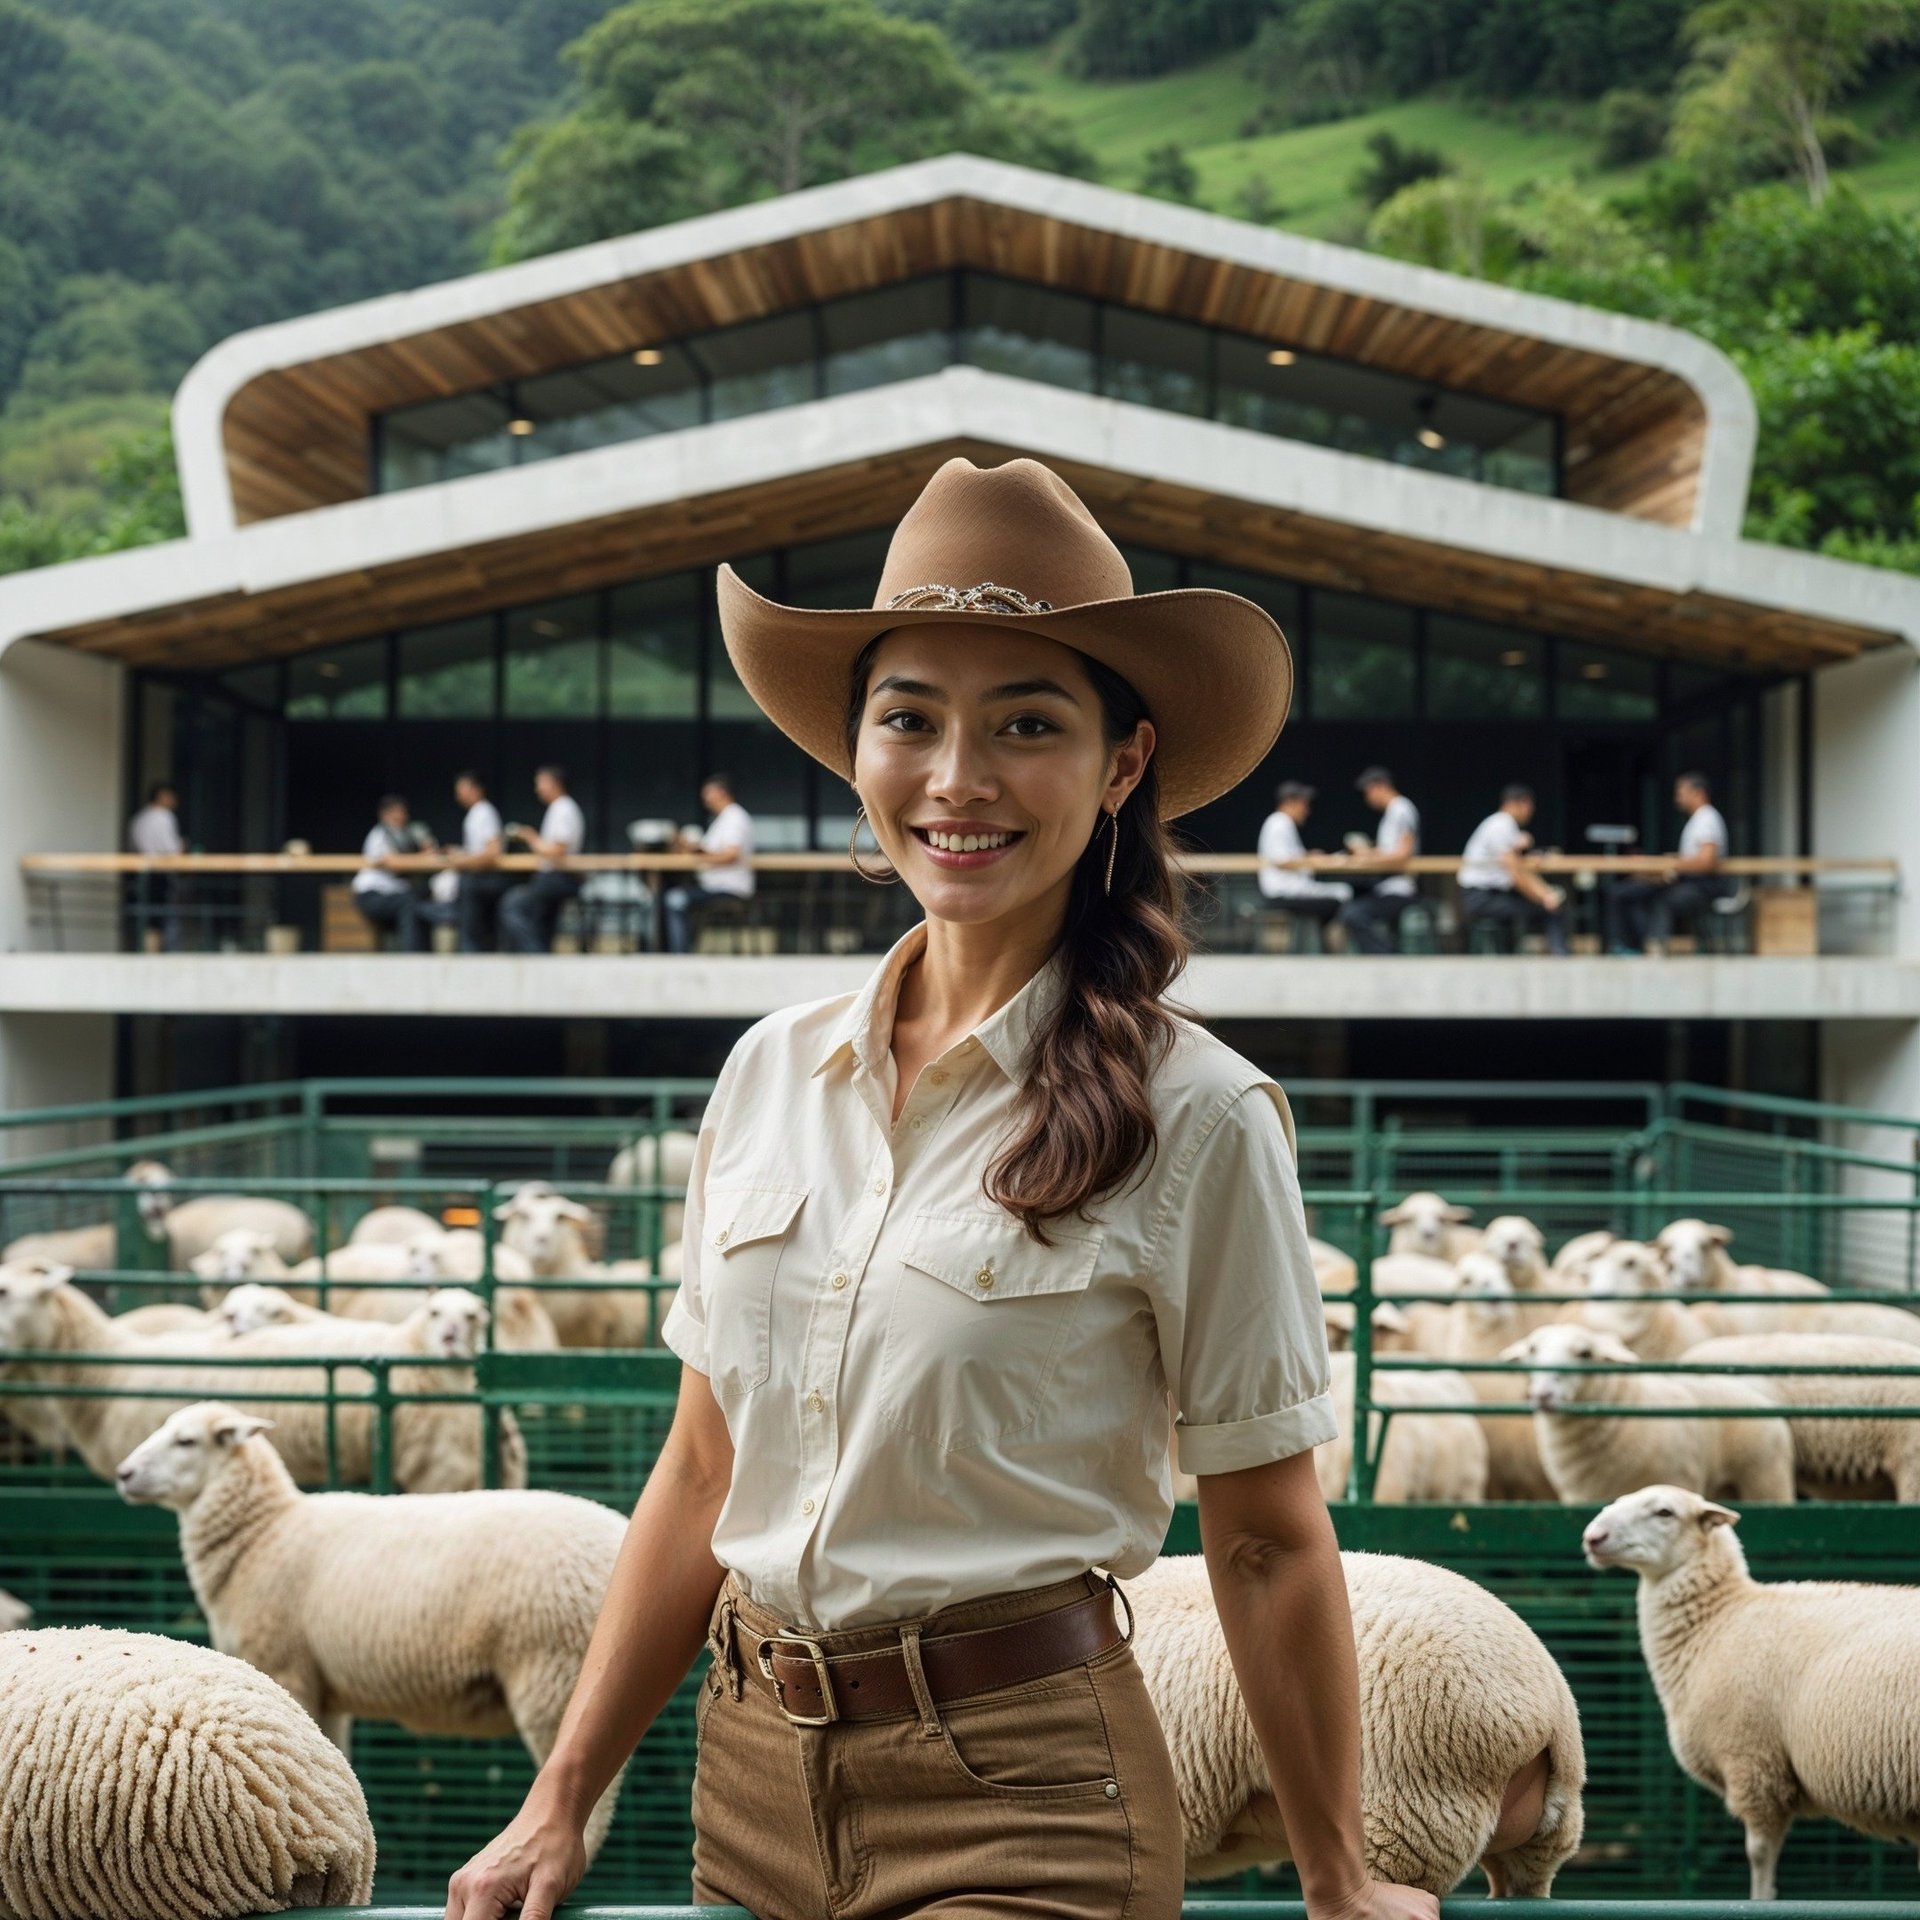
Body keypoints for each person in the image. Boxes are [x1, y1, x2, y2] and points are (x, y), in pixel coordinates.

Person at [445, 456, 1444, 1920]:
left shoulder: (1201, 1113)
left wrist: (1338, 1876)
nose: (958, 779)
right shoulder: (769, 1075)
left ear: (1121, 766)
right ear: (856, 749)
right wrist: (558, 1801)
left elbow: (1264, 1533)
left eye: (1027, 724)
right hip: (753, 1779)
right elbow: (705, 1470)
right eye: (909, 718)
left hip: (1025, 1791)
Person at [1607, 771, 1733, 955]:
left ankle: (1655, 946)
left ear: (1698, 793)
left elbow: (1707, 862)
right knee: (1630, 891)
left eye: (1681, 793)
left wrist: (1674, 864)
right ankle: (1632, 945)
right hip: (1687, 881)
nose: (1677, 798)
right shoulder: (1697, 820)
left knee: (1662, 898)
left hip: (1703, 885)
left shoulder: (1707, 819)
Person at [1458, 784, 1569, 956]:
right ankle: (1561, 957)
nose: (1531, 812)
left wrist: (1543, 893)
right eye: (1530, 806)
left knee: (1542, 905)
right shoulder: (1501, 824)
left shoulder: (1502, 824)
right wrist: (1544, 897)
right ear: (1521, 803)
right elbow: (1516, 874)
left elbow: (1516, 867)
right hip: (1481, 897)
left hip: (1489, 894)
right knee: (1550, 911)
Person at [664, 773, 756, 954]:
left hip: (729, 888)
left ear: (722, 792)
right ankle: (680, 951)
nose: (704, 798)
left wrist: (700, 859)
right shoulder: (722, 819)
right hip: (714, 886)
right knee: (674, 895)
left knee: (675, 899)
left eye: (708, 793)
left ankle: (681, 956)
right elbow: (714, 852)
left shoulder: (735, 817)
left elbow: (731, 855)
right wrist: (693, 848)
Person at [499, 766, 585, 953]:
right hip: (553, 878)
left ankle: (536, 956)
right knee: (542, 921)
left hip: (559, 877)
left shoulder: (563, 808)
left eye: (541, 783)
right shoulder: (558, 808)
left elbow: (557, 850)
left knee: (513, 905)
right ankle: (541, 954)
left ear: (555, 783)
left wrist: (530, 837)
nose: (537, 789)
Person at [1336, 765, 1421, 955]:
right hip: (1385, 886)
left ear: (1379, 786)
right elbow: (1389, 851)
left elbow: (1403, 853)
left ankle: (1388, 956)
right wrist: (1367, 852)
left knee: (1352, 914)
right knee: (1350, 903)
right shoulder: (1392, 812)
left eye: (1368, 791)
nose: (1367, 798)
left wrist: (1368, 855)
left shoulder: (1401, 809)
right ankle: (1387, 954)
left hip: (1400, 888)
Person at [1256, 779, 1352, 940]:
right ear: (1290, 802)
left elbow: (1288, 857)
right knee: (1343, 894)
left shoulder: (1281, 822)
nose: (1306, 810)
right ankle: (1330, 948)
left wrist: (1308, 856)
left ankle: (1325, 947)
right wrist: (1312, 861)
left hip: (1288, 890)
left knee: (1341, 892)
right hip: (1283, 893)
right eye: (1304, 804)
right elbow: (1283, 862)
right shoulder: (1279, 822)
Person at [351, 794, 435, 951]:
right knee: (408, 902)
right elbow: (394, 863)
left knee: (421, 900)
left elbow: (427, 850)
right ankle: (411, 957)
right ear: (385, 814)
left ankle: (424, 954)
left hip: (394, 893)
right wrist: (421, 857)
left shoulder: (406, 833)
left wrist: (426, 845)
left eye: (403, 812)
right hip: (372, 895)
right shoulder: (379, 834)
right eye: (397, 812)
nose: (402, 816)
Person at [448, 770, 508, 953]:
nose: (458, 794)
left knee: (473, 932)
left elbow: (493, 852)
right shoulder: (475, 813)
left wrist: (462, 862)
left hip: (485, 879)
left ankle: (470, 956)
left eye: (462, 789)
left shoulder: (484, 812)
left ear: (475, 789)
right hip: (477, 878)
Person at [126, 780, 184, 951]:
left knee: (147, 917)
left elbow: (132, 845)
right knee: (160, 917)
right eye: (171, 797)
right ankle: (156, 953)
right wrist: (182, 847)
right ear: (162, 796)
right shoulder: (163, 816)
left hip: (140, 872)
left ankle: (147, 952)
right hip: (159, 872)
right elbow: (172, 849)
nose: (174, 801)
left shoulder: (139, 818)